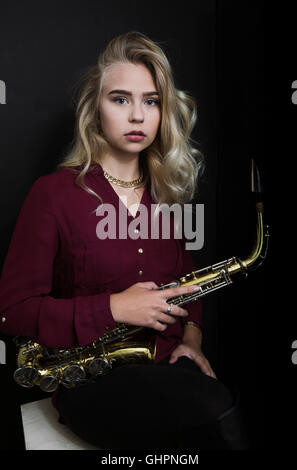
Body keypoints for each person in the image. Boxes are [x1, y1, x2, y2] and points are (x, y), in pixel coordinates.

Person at [0, 31, 249, 450]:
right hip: (93, 379)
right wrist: (114, 307)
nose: (137, 116)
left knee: (215, 409)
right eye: (120, 99)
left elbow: (188, 283)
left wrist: (191, 340)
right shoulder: (53, 194)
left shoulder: (166, 193)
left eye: (150, 101)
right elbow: (12, 312)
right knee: (216, 414)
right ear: (95, 110)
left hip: (168, 366)